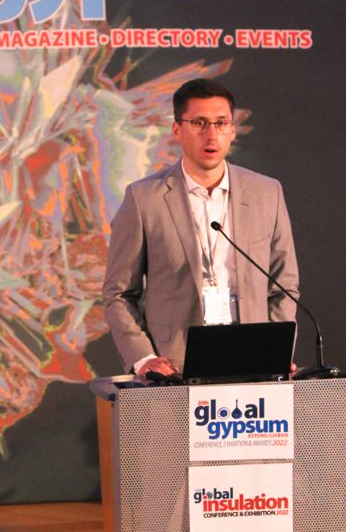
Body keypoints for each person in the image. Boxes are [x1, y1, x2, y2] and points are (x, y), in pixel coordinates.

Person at [102, 78, 299, 377]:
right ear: (177, 129)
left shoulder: (267, 193)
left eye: (221, 123)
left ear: (232, 130)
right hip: (175, 367)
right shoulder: (144, 198)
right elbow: (118, 293)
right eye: (199, 123)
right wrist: (143, 358)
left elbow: (285, 285)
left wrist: (275, 349)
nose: (212, 134)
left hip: (253, 361)